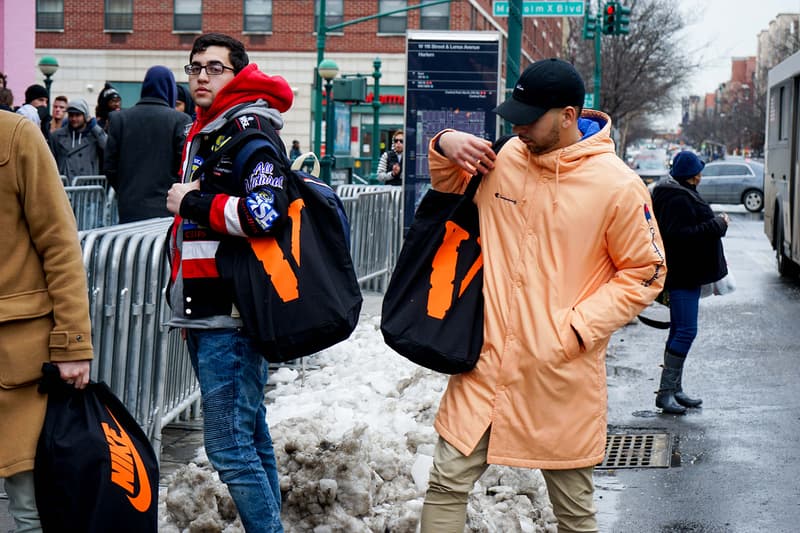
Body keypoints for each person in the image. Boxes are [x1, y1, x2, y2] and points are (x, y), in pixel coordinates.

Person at [418, 58, 666, 533]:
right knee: (447, 483)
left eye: (530, 117)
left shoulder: (618, 185)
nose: (519, 126)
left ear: (569, 115)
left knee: (573, 510)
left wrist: (575, 329)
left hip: (559, 372)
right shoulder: (505, 156)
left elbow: (646, 272)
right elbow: (446, 185)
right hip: (486, 364)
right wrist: (445, 142)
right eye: (515, 116)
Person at [165, 32, 294, 533]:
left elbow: (266, 212)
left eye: (214, 68)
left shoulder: (249, 129)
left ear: (237, 74)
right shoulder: (206, 129)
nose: (201, 75)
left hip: (230, 315)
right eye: (195, 66)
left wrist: (193, 202)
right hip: (207, 309)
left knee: (228, 446)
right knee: (250, 433)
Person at [0, 110, 93, 532]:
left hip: (16, 357)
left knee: (30, 506)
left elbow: (60, 244)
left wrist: (72, 345)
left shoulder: (15, 135)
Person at [650, 151, 729, 414]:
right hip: (683, 274)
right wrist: (718, 224)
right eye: (699, 171)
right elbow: (680, 235)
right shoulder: (675, 197)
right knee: (686, 331)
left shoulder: (677, 191)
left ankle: (675, 389)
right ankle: (665, 394)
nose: (701, 175)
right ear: (693, 175)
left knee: (679, 330)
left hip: (687, 273)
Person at [104, 65, 191, 223]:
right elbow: (184, 165)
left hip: (129, 205)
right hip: (166, 207)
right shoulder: (180, 120)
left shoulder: (119, 119)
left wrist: (125, 189)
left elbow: (110, 166)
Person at [49, 97, 107, 179]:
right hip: (65, 186)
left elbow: (108, 147)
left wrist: (95, 127)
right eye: (71, 115)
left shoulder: (95, 136)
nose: (74, 118)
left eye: (77, 115)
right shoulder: (57, 136)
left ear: (85, 116)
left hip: (89, 187)